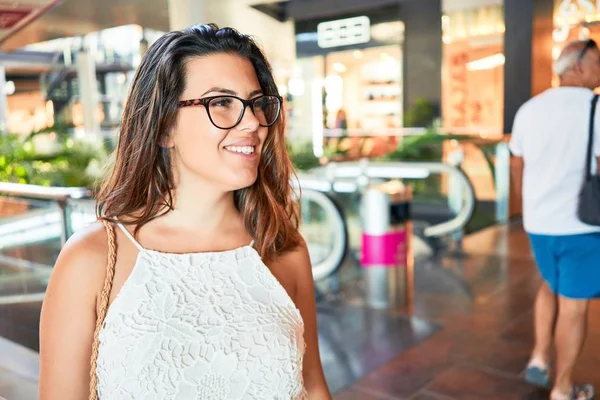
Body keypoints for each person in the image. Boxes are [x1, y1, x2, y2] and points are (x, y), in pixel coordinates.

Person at [39, 23, 331, 399]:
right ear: (164, 127)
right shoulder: (90, 259)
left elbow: (314, 386)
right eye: (220, 102)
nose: (253, 123)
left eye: (257, 103)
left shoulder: (283, 248)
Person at [510, 39, 600, 400]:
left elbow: (517, 164)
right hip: (582, 226)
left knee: (549, 284)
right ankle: (563, 389)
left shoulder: (529, 109)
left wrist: (527, 202)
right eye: (596, 62)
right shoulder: (596, 108)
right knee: (574, 308)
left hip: (538, 223)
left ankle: (539, 356)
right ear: (577, 67)